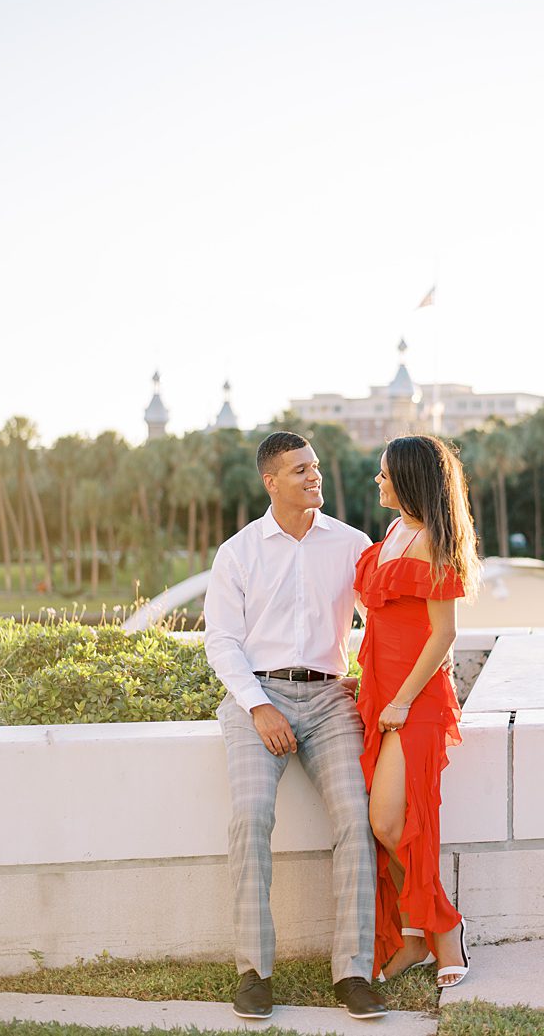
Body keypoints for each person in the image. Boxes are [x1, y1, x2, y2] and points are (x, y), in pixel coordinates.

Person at [204, 431, 387, 1021]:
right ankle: (254, 972)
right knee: (250, 817)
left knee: (356, 820)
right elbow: (222, 642)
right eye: (300, 470)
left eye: (315, 467)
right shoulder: (238, 553)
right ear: (271, 482)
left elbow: (382, 619)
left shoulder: (352, 544)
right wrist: (258, 705)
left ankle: (353, 971)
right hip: (257, 698)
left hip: (331, 698)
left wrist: (374, 679)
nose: (314, 477)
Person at [354, 434, 484, 988]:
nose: (377, 482)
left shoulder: (432, 541)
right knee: (387, 823)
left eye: (384, 475)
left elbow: (444, 634)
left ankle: (444, 928)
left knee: (392, 821)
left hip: (415, 699)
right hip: (382, 695)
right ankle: (412, 937)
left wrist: (403, 702)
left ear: (407, 480)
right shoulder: (393, 532)